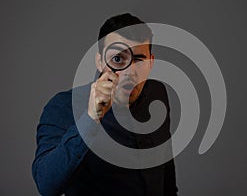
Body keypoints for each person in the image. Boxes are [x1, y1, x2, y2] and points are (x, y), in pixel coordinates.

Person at [32, 13, 178, 196]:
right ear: (100, 62)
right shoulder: (63, 106)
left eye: (139, 60)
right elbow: (46, 185)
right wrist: (91, 118)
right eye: (118, 59)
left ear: (151, 63)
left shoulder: (157, 93)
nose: (129, 73)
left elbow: (165, 171)